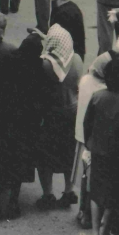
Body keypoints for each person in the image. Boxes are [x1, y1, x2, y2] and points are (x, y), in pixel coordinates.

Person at [81, 57, 119, 235]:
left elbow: (86, 123)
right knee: (116, 192)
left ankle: (95, 234)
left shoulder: (98, 97)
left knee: (97, 192)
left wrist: (88, 144)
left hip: (99, 151)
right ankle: (106, 231)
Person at [36, 24, 84, 209]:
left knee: (45, 155)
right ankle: (68, 191)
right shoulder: (77, 60)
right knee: (68, 154)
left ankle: (48, 193)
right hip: (72, 111)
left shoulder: (45, 65)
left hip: (51, 113)